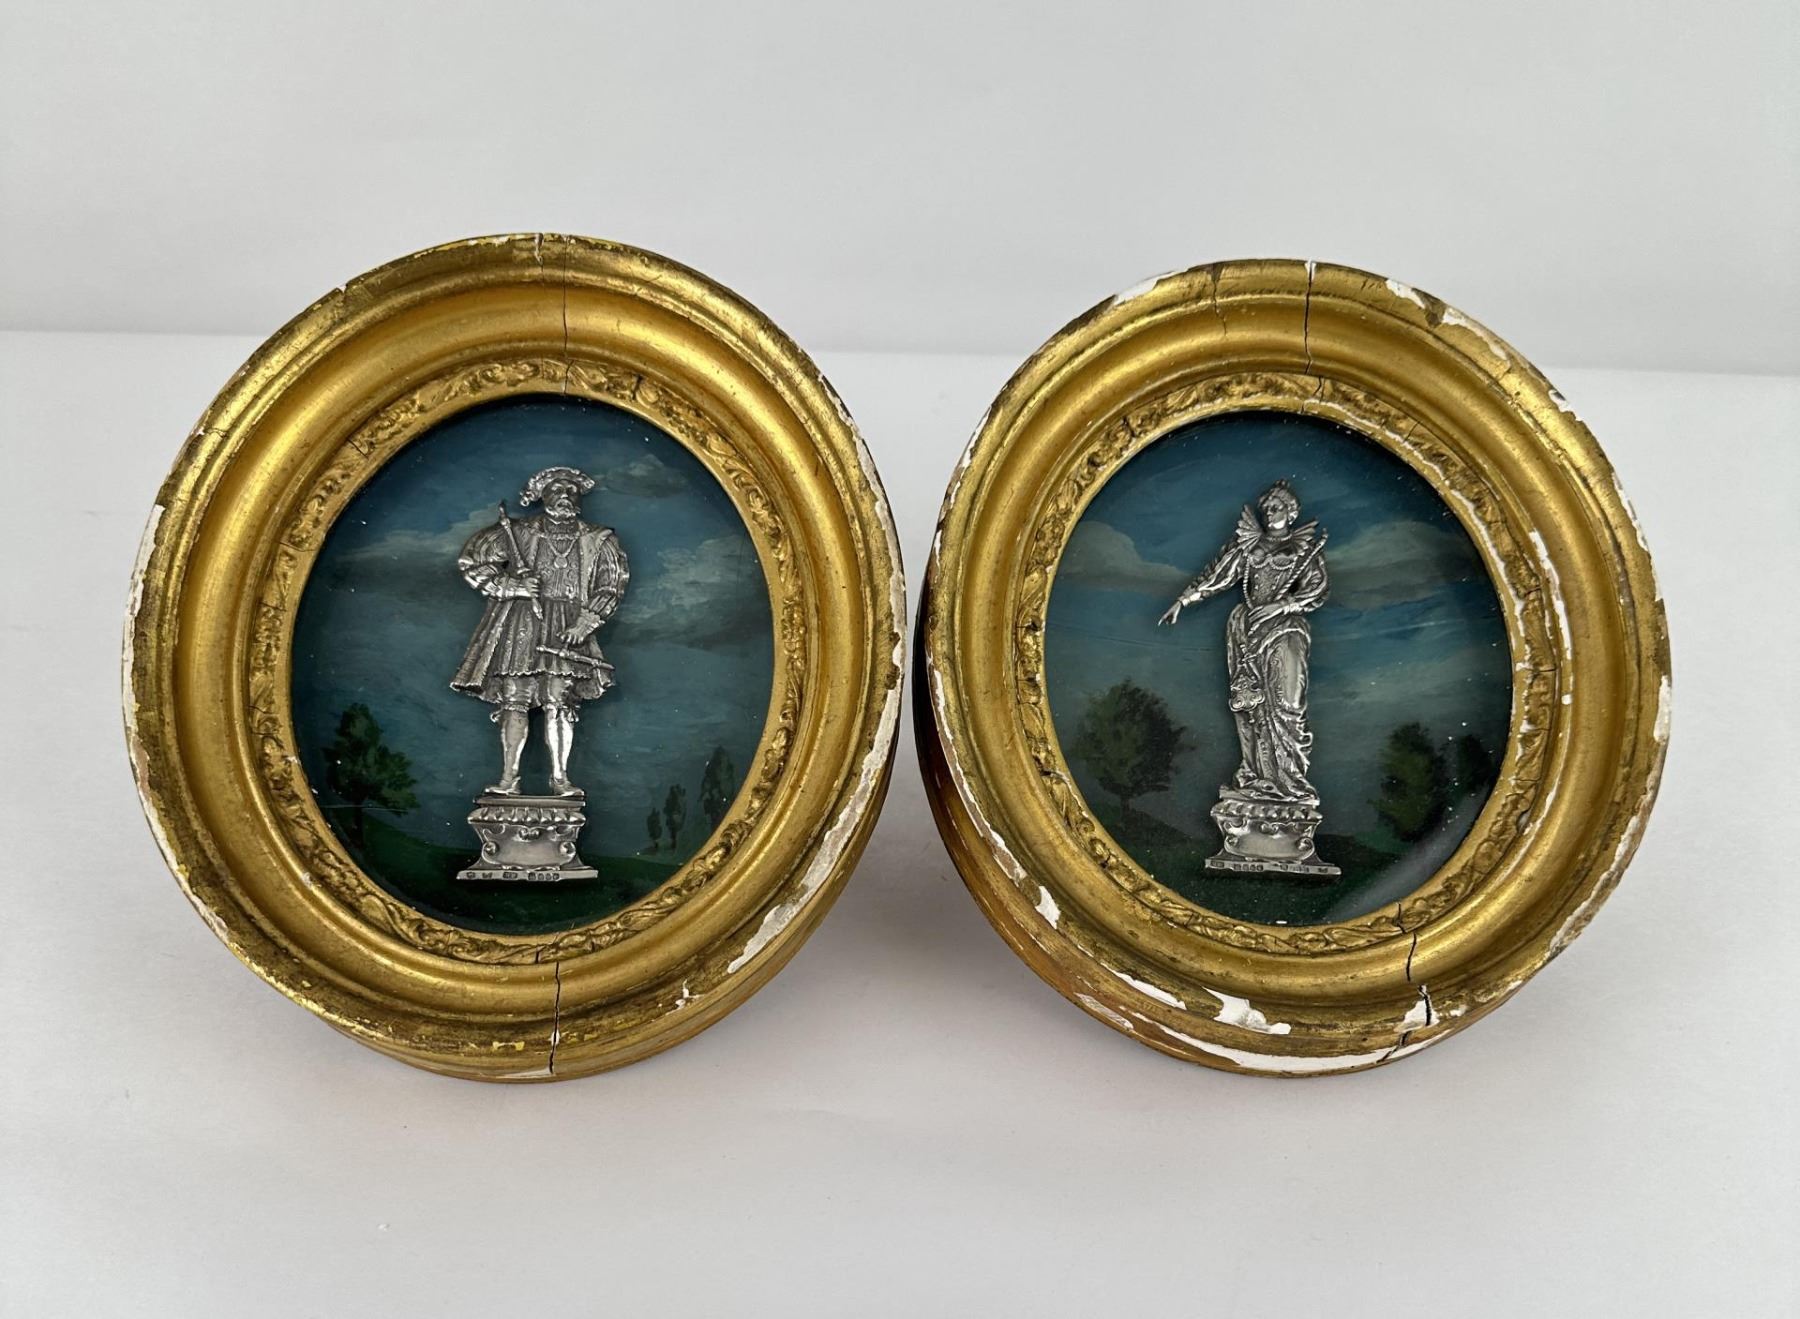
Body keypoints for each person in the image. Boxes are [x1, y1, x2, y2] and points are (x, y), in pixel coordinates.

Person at [449, 466, 629, 797]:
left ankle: (560, 779)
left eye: (571, 490)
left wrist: (586, 622)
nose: (565, 496)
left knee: (560, 699)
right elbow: (473, 561)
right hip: (522, 622)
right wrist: (512, 586)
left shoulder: (599, 539)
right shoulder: (517, 532)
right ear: (542, 495)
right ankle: (509, 779)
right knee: (515, 698)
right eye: (556, 489)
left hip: (569, 626)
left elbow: (610, 585)